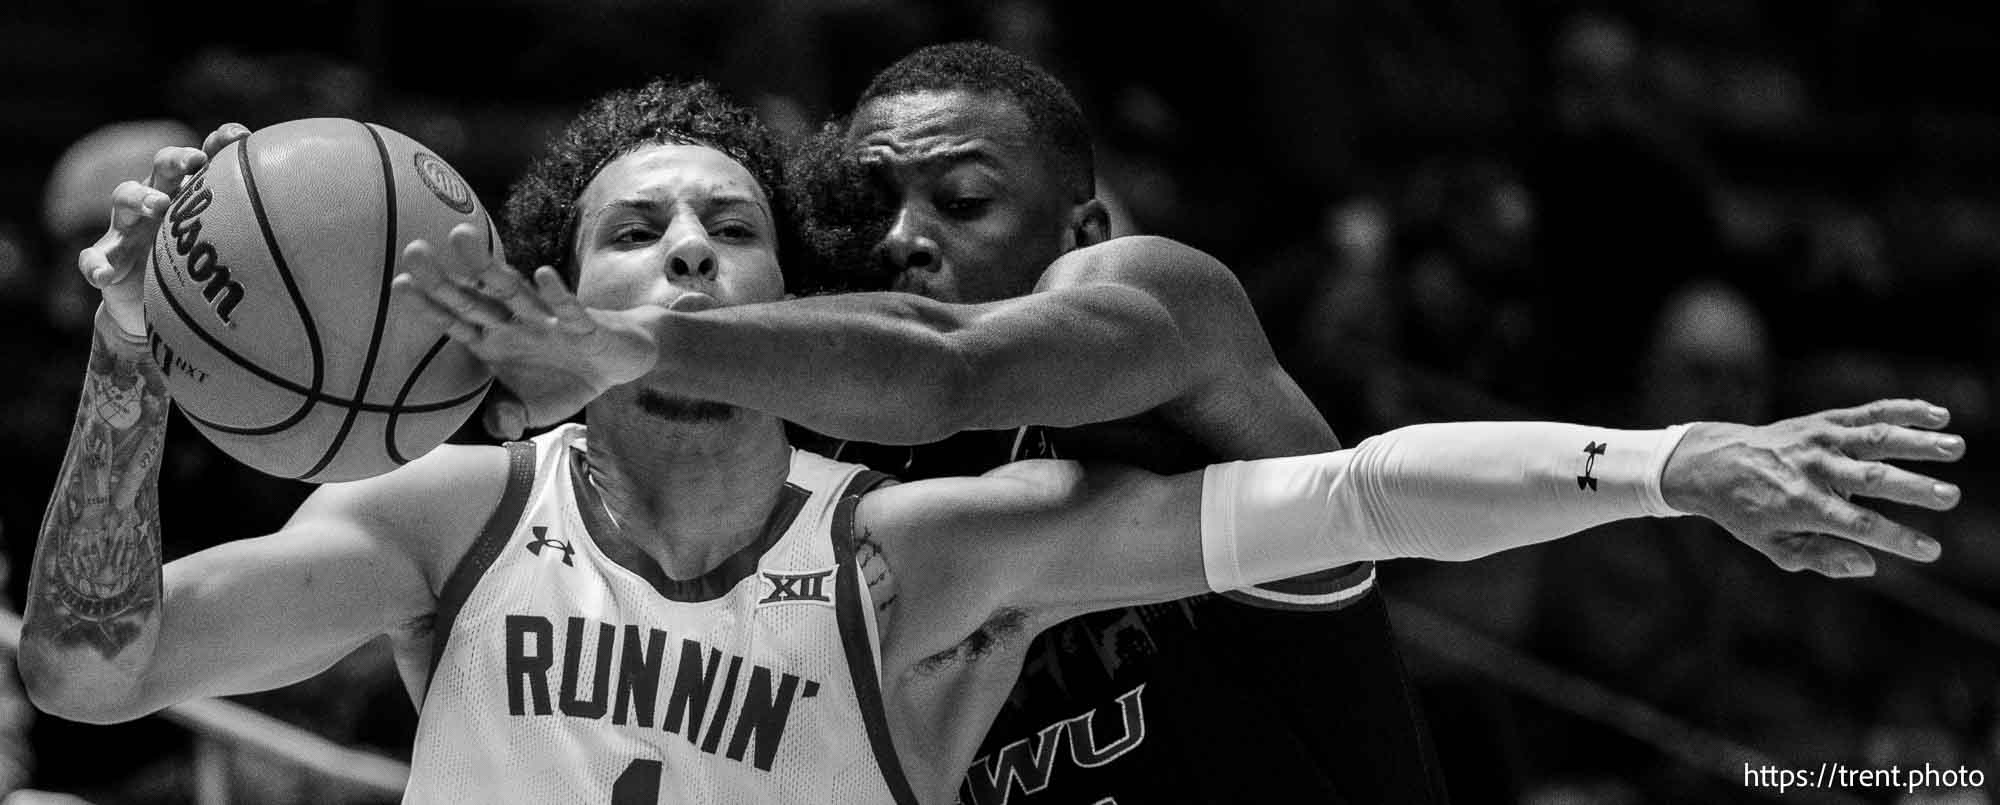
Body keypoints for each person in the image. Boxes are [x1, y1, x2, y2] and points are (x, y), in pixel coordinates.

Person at [25, 79, 1961, 805]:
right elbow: (91, 671)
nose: (683, 248)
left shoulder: (934, 534)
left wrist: (1667, 456)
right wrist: (127, 365)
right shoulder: (450, 518)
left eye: (727, 231)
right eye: (634, 225)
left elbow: (1347, 489)